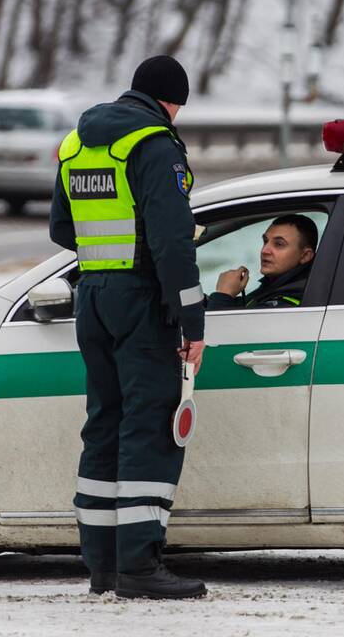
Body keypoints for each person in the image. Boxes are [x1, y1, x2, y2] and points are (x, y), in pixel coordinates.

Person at [49, 55, 208, 600]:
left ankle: (105, 567)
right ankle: (140, 566)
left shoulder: (77, 143)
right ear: (171, 101)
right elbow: (172, 243)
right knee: (149, 425)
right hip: (140, 300)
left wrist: (109, 255)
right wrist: (192, 321)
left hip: (92, 296)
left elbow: (61, 228)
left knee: (105, 423)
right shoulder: (154, 145)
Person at [207, 214, 318, 309]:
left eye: (279, 244)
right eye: (265, 241)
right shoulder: (275, 287)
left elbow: (222, 331)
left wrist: (224, 294)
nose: (264, 250)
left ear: (305, 256)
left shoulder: (291, 304)